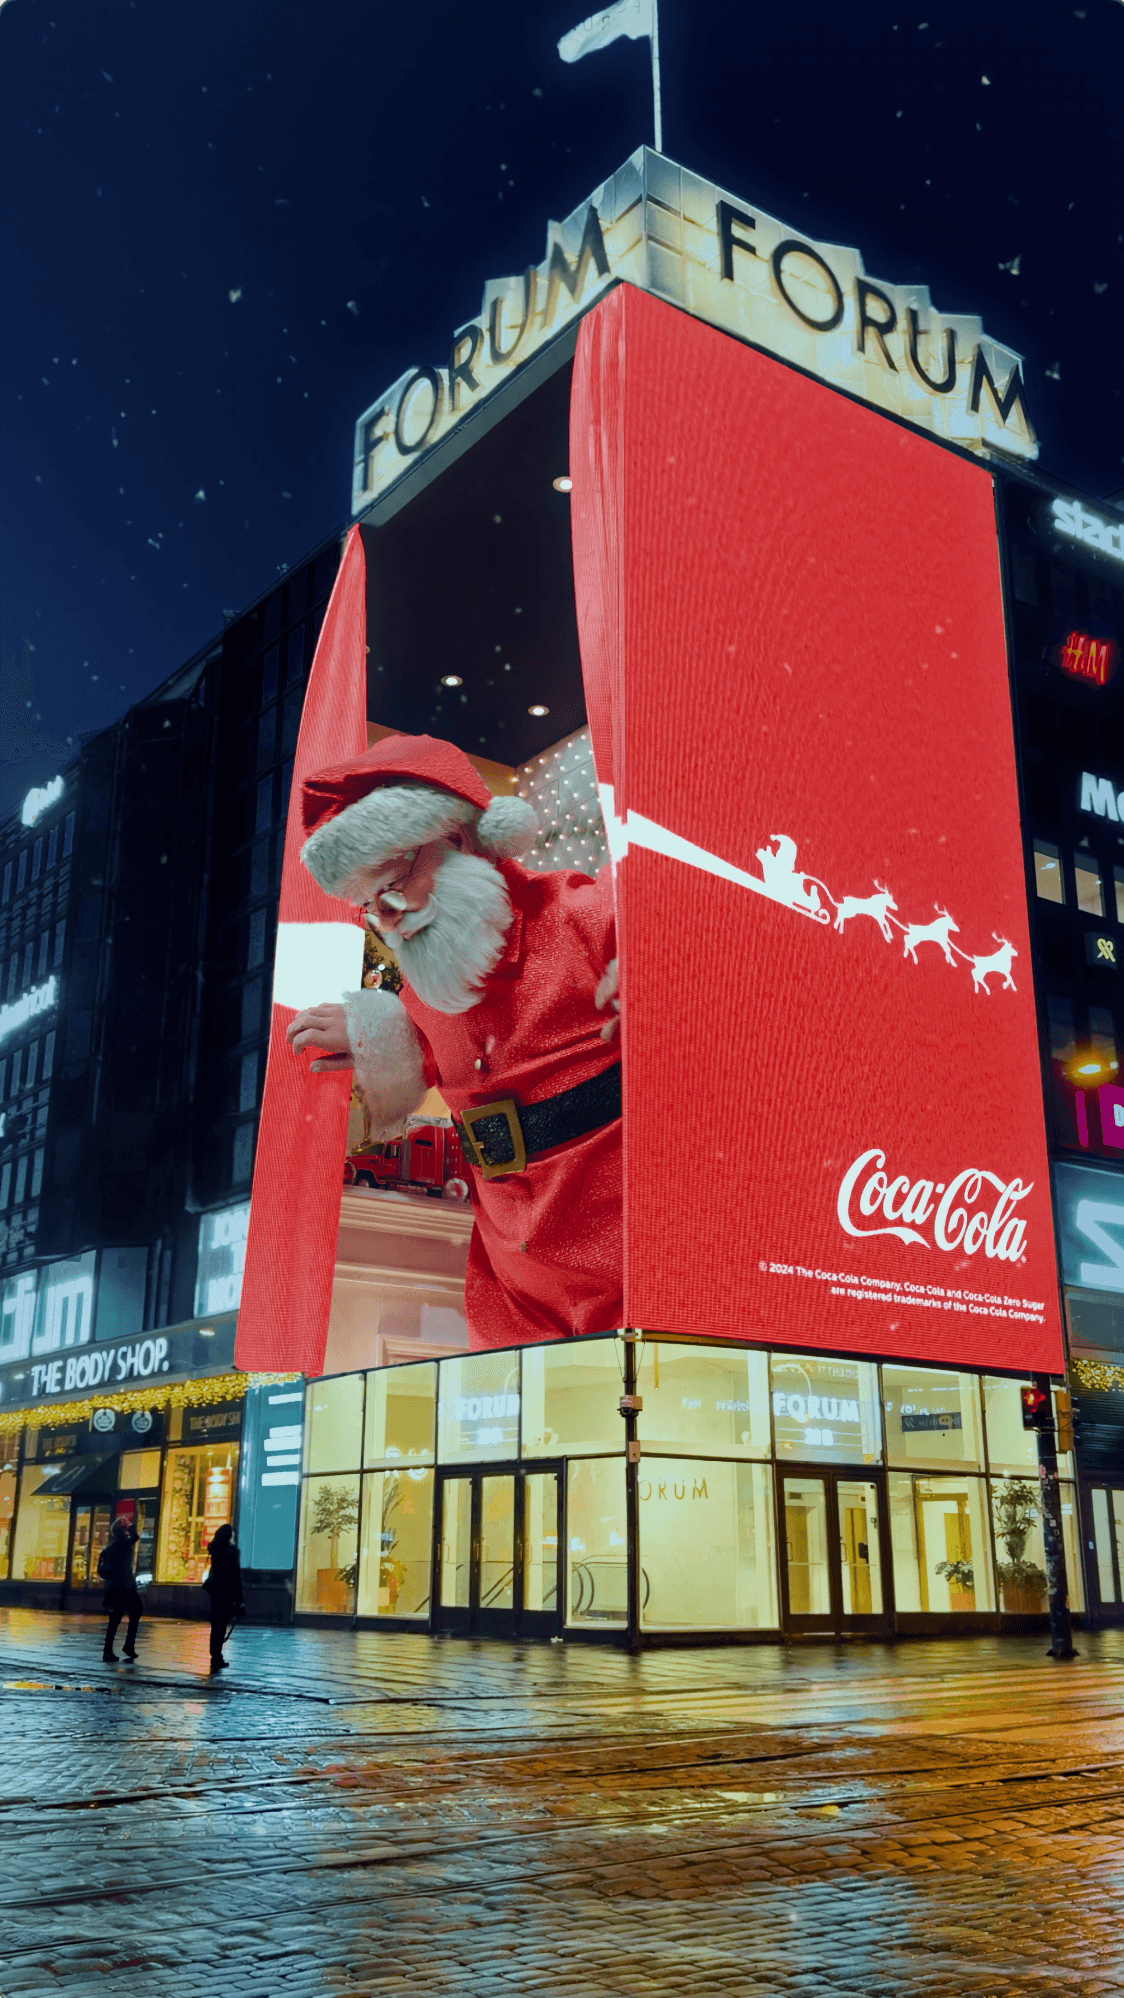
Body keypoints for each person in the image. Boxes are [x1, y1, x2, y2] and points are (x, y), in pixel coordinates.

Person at [288, 732, 623, 1349]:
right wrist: (380, 1034)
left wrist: (676, 963)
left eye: (391, 881)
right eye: (366, 903)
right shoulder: (429, 984)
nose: (383, 916)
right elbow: (421, 1045)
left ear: (466, 840)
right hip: (516, 1298)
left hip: (643, 1276)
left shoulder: (592, 919)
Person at [98, 1518, 141, 1664]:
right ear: (121, 1533)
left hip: (115, 1587)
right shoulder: (123, 1545)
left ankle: (110, 1650)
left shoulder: (109, 1549)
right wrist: (132, 1527)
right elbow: (135, 1537)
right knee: (134, 1612)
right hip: (125, 1587)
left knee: (115, 1619)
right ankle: (124, 1646)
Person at [203, 1523, 244, 1675]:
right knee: (221, 1625)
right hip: (227, 1592)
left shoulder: (214, 1550)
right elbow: (236, 1576)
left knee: (216, 1625)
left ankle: (215, 1656)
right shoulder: (232, 1552)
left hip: (215, 1591)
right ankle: (217, 1657)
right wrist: (240, 1599)